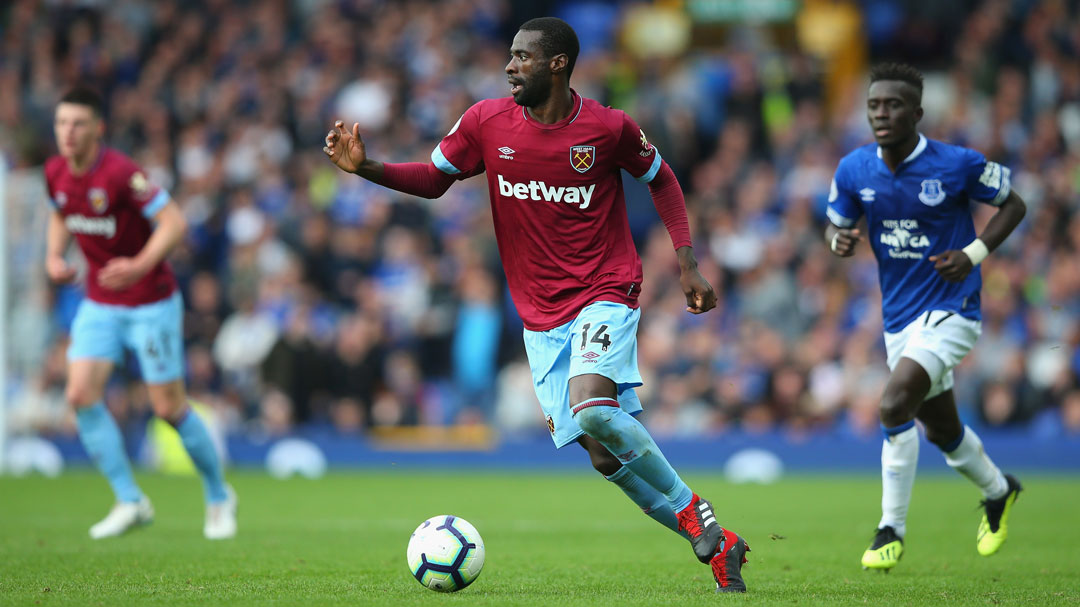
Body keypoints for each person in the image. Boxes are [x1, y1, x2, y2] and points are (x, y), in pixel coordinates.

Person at [325, 17, 749, 593]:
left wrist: (687, 260)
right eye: (509, 55)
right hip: (540, 313)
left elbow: (663, 178)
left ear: (558, 64)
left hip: (607, 287)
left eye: (523, 57)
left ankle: (692, 508)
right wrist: (366, 168)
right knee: (603, 456)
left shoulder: (607, 128)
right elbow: (432, 179)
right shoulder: (485, 122)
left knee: (593, 409)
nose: (509, 66)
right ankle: (719, 543)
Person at [825, 63, 1026, 571]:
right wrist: (838, 241)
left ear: (917, 113)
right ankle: (1000, 490)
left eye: (892, 105)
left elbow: (1014, 204)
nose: (881, 114)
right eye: (873, 105)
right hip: (900, 317)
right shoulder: (853, 169)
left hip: (954, 308)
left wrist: (973, 253)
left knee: (894, 406)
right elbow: (836, 229)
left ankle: (890, 528)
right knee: (943, 433)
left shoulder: (956, 163)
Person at [44, 87, 236, 540]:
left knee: (168, 408)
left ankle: (218, 494)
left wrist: (138, 265)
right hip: (99, 304)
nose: (68, 133)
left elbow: (174, 222)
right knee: (79, 395)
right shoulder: (54, 172)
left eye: (78, 124)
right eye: (61, 123)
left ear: (98, 129)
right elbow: (60, 212)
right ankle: (130, 500)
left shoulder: (121, 173)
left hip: (151, 303)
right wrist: (55, 257)